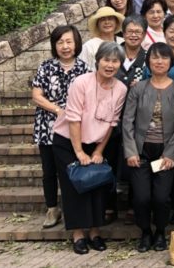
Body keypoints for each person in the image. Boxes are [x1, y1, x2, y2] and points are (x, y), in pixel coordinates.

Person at [52, 42, 127, 255]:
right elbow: (73, 119)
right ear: (97, 61)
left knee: (97, 185)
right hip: (68, 141)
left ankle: (95, 232)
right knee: (74, 187)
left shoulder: (121, 88)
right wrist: (79, 152)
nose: (110, 65)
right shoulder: (81, 82)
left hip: (96, 141)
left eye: (115, 61)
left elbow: (112, 123)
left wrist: (98, 151)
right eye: (106, 60)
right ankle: (78, 234)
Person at [122, 43, 174, 253]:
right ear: (148, 62)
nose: (159, 62)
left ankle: (160, 232)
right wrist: (131, 151)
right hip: (141, 151)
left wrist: (171, 154)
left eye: (164, 58)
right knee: (141, 198)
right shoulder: (138, 88)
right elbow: (127, 121)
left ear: (171, 62)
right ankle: (145, 232)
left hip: (165, 152)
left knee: (161, 197)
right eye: (155, 57)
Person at [32, 25, 89, 229]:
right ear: (54, 45)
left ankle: (72, 208)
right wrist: (59, 110)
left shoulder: (84, 68)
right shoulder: (45, 67)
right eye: (60, 42)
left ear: (76, 44)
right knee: (49, 170)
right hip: (48, 126)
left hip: (75, 129)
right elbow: (36, 96)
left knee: (70, 169)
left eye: (69, 42)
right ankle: (52, 208)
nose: (65, 46)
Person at [117, 16, 147, 89]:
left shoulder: (148, 58)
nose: (133, 35)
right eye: (130, 31)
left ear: (144, 35)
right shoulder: (113, 54)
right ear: (123, 34)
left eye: (137, 32)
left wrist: (143, 85)